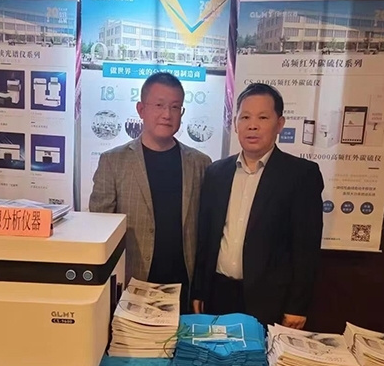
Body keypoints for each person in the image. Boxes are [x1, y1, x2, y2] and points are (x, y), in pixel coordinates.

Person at [191, 83, 324, 329]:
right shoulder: (216, 173)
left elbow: (306, 247)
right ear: (236, 124)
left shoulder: (301, 175)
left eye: (263, 117)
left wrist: (297, 306)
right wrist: (199, 289)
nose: (252, 125)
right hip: (218, 293)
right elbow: (206, 238)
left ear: (279, 124)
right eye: (245, 117)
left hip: (270, 301)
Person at [89, 72, 211, 312]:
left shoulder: (200, 163)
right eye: (159, 105)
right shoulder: (113, 161)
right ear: (141, 109)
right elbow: (99, 229)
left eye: (175, 107)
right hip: (131, 285)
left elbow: (206, 232)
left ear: (182, 113)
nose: (167, 114)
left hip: (183, 288)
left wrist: (201, 288)